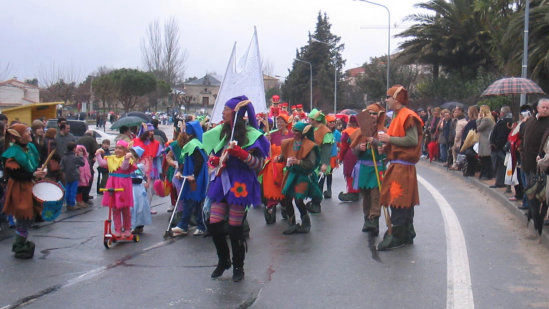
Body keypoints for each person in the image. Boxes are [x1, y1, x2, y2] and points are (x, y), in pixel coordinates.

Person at [202, 95, 269, 282]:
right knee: (214, 223)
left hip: (240, 184)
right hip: (221, 182)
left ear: (235, 113)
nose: (222, 112)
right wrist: (215, 160)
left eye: (225, 109)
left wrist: (241, 154)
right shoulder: (222, 133)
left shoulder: (252, 136)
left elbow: (258, 165)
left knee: (235, 228)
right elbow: (214, 156)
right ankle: (224, 260)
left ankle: (238, 266)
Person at [377, 85, 423, 251]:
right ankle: (407, 233)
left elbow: (411, 140)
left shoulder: (408, 116)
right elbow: (397, 140)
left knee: (399, 201)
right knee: (402, 201)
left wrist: (389, 139)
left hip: (403, 168)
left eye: (388, 97)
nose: (386, 100)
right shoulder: (397, 116)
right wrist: (386, 147)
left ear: (396, 99)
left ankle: (398, 236)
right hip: (398, 165)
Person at [1, 123, 47, 258]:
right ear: (19, 137)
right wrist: (32, 175)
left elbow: (32, 167)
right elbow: (15, 174)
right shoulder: (13, 153)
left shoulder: (29, 148)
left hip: (29, 185)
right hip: (20, 188)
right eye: (27, 132)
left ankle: (21, 243)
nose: (30, 133)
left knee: (29, 218)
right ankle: (19, 245)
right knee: (23, 216)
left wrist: (37, 172)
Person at [277, 122, 320, 234]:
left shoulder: (309, 145)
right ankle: (292, 223)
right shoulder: (289, 143)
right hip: (291, 174)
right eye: (294, 130)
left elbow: (311, 163)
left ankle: (306, 222)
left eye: (297, 131)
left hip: (303, 176)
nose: (294, 133)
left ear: (303, 133)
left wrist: (299, 162)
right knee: (286, 198)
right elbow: (285, 155)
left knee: (298, 199)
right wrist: (280, 158)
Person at [350, 103, 387, 234]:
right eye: (369, 114)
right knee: (366, 196)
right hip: (363, 168)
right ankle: (367, 219)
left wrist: (375, 142)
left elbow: (387, 149)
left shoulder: (383, 131)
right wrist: (359, 149)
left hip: (377, 167)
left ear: (378, 116)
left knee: (376, 194)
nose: (371, 116)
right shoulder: (360, 131)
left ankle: (374, 219)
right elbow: (353, 150)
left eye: (374, 114)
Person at [169, 121, 208, 236]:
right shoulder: (191, 144)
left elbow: (200, 161)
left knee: (195, 200)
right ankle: (184, 225)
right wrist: (180, 171)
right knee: (189, 199)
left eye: (187, 130)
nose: (184, 132)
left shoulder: (195, 144)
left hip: (196, 178)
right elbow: (185, 162)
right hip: (190, 176)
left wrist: (194, 175)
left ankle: (198, 225)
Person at [95, 140, 136, 237]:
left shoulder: (128, 159)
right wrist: (98, 155)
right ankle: (118, 229)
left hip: (123, 186)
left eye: (120, 148)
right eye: (116, 148)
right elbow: (102, 164)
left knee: (125, 209)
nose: (117, 150)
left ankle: (127, 229)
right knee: (115, 208)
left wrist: (126, 159)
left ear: (125, 151)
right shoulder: (111, 158)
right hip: (112, 184)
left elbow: (124, 167)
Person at [261, 114, 293, 224]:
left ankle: (285, 207)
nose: (279, 123)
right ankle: (270, 209)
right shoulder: (271, 134)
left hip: (285, 166)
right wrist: (266, 140)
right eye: (278, 121)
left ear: (286, 123)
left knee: (285, 191)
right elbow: (264, 149)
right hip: (272, 166)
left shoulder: (292, 135)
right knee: (271, 188)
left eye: (281, 121)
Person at [128, 146, 152, 234]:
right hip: (129, 188)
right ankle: (129, 225)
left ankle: (138, 224)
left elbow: (138, 179)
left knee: (138, 207)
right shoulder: (126, 165)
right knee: (130, 207)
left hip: (137, 189)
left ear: (137, 158)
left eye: (132, 157)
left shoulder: (139, 166)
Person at [490, 106, 513, 188]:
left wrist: (495, 144)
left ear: (502, 113)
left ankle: (501, 182)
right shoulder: (505, 121)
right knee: (500, 165)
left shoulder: (504, 122)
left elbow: (501, 135)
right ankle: (500, 182)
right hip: (500, 147)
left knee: (500, 165)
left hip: (500, 148)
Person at [338, 115, 360, 201]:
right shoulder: (360, 131)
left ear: (349, 122)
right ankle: (358, 190)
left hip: (350, 155)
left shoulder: (346, 132)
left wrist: (340, 158)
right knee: (357, 172)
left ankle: (352, 192)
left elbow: (344, 147)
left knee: (350, 174)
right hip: (359, 154)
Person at [61, 142, 84, 210]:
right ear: (74, 149)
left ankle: (68, 203)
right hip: (74, 176)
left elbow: (61, 166)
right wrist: (80, 156)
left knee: (67, 189)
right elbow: (82, 163)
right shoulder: (74, 157)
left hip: (67, 176)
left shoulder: (64, 157)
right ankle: (72, 204)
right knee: (73, 190)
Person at [77, 130, 99, 201]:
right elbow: (96, 150)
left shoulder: (79, 139)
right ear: (91, 134)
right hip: (88, 160)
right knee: (89, 177)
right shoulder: (92, 140)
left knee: (81, 179)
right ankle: (85, 196)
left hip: (78, 160)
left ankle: (80, 197)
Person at [477, 105, 495, 180]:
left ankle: (487, 174)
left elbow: (479, 128)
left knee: (485, 159)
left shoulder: (486, 120)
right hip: (486, 140)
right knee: (486, 159)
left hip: (485, 141)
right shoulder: (490, 118)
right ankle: (486, 174)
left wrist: (478, 119)